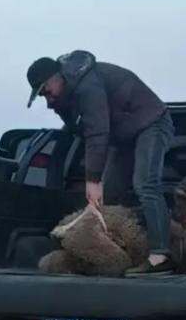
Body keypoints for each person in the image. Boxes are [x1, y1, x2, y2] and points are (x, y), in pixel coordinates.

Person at [26, 49, 175, 275]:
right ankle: (113, 252)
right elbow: (83, 132)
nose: (47, 98)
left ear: (57, 77)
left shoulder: (88, 85)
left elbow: (97, 132)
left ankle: (160, 256)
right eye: (41, 95)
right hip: (124, 137)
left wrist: (93, 179)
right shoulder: (64, 96)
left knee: (145, 184)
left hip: (151, 123)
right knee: (110, 193)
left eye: (46, 90)